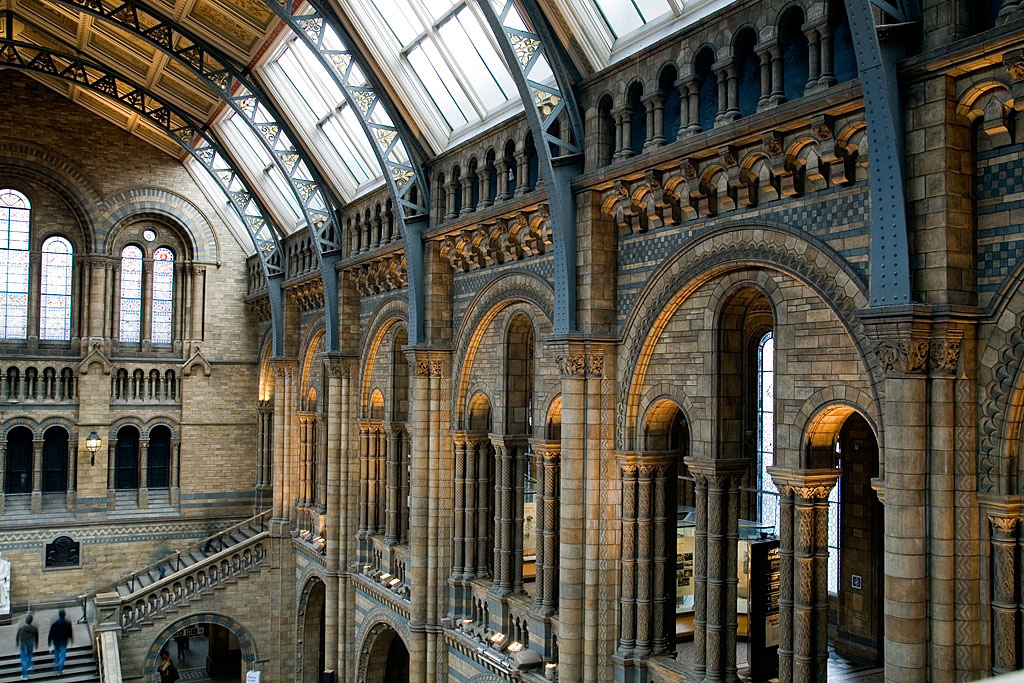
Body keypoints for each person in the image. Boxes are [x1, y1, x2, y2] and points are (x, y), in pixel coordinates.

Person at [47, 609, 73, 675]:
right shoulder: (68, 623)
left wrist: (49, 642)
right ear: (65, 615)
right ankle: (60, 670)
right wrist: (71, 639)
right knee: (62, 655)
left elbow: (51, 634)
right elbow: (70, 633)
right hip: (64, 641)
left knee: (56, 653)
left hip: (56, 641)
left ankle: (56, 664)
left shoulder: (54, 624)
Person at [15, 613, 38, 680]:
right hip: (30, 645)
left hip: (23, 646)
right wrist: (36, 644)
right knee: (29, 655)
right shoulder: (34, 628)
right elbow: (36, 637)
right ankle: (30, 665)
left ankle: (25, 675)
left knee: (24, 660)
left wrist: (17, 644)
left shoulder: (21, 629)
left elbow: (17, 637)